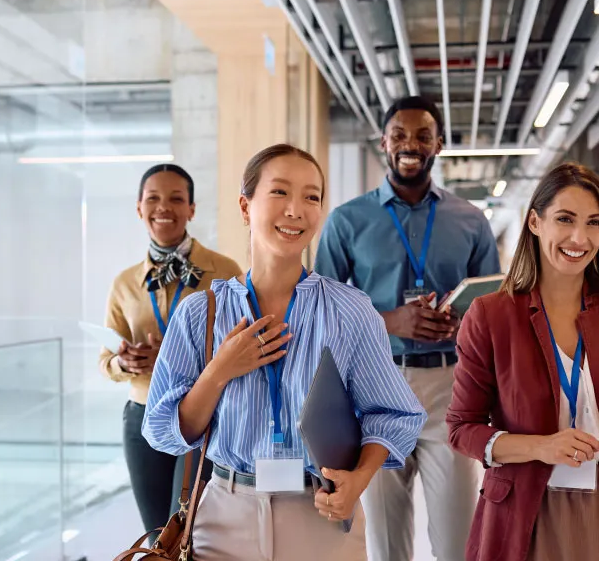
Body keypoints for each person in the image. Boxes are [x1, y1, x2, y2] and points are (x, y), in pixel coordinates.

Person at [143, 144, 427, 561]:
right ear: (245, 206)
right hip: (224, 516)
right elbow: (163, 431)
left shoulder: (350, 310)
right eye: (279, 193)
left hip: (322, 514)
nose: (296, 209)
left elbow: (393, 414)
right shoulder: (200, 314)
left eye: (312, 197)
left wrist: (359, 480)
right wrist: (218, 371)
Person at [446, 162, 599, 560]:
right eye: (564, 219)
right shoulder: (491, 316)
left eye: (594, 224)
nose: (579, 237)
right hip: (529, 506)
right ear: (535, 222)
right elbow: (461, 429)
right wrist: (542, 447)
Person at [315, 96, 500, 561]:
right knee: (385, 543)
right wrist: (389, 321)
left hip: (451, 387)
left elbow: (496, 308)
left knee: (458, 541)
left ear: (439, 144)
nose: (410, 144)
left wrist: (465, 322)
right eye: (399, 134)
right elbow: (321, 312)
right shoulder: (347, 220)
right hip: (375, 388)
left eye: (422, 135)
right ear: (384, 142)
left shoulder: (471, 220)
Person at [99, 163, 242, 535]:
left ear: (192, 209)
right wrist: (123, 361)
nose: (164, 207)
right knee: (154, 537)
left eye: (177, 199)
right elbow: (104, 358)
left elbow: (241, 345)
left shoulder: (223, 271)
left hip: (202, 416)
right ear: (139, 208)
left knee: (189, 531)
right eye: (153, 199)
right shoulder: (126, 283)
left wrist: (182, 353)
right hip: (142, 415)